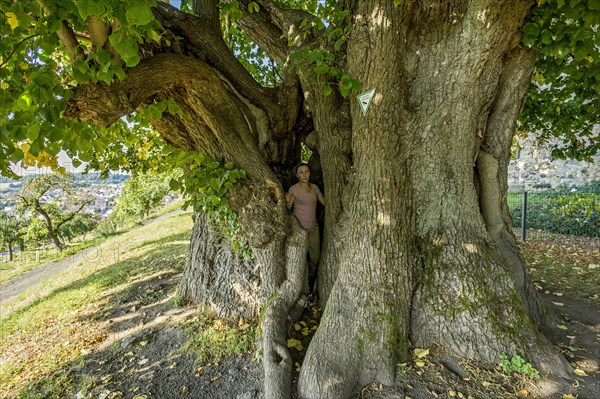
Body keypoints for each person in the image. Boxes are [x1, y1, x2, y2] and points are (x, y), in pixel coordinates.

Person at [285, 163, 325, 292]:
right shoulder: (293, 189)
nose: (304, 175)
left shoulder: (314, 188)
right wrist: (287, 201)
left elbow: (324, 202)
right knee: (300, 258)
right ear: (297, 174)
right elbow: (288, 209)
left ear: (310, 173)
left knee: (315, 257)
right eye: (301, 172)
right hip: (299, 230)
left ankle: (311, 280)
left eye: (306, 172)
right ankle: (302, 286)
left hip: (314, 229)